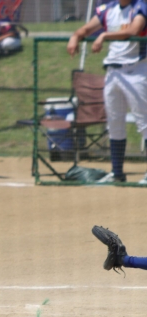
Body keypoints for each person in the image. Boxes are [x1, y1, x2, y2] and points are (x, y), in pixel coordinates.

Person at [67, 0, 147, 184]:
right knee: (114, 123)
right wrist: (75, 36)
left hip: (136, 70)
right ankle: (117, 173)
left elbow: (134, 30)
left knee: (144, 122)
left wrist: (104, 35)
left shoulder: (140, 6)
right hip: (113, 72)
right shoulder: (108, 9)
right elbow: (86, 29)